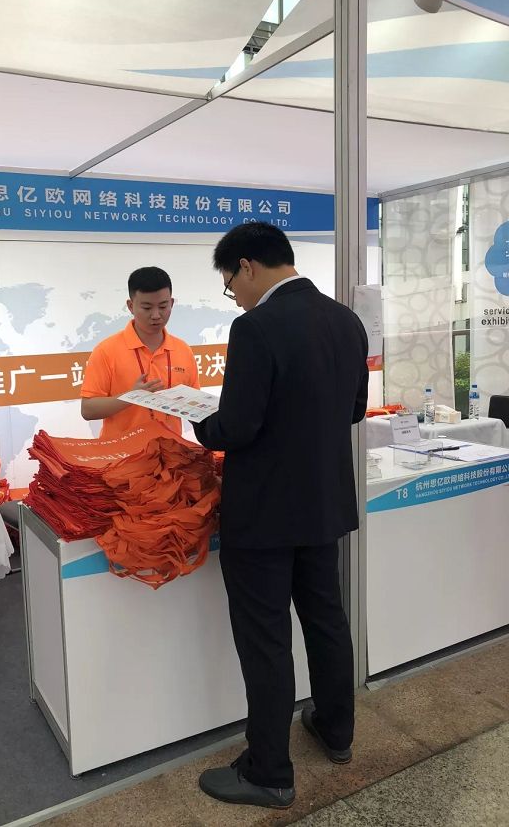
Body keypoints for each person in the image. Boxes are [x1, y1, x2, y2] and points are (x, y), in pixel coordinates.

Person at [192, 222, 368, 810]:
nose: (235, 298)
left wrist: (200, 422)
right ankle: (336, 731)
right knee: (326, 619)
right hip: (323, 504)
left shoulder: (255, 327)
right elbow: (355, 409)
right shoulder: (345, 320)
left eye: (230, 285)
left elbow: (237, 427)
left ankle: (268, 771)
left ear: (247, 266)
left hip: (264, 513)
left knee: (265, 638)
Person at [80, 266, 200, 439]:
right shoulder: (106, 350)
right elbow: (88, 410)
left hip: (171, 452)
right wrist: (131, 397)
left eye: (163, 306)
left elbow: (195, 405)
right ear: (130, 306)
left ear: (172, 303)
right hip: (122, 453)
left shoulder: (183, 350)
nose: (156, 315)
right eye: (147, 308)